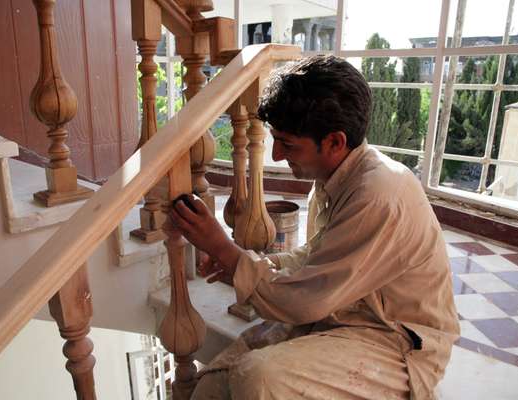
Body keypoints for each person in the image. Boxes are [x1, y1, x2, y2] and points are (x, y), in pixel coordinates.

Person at [169, 55, 459, 400]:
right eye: (275, 139)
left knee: (257, 377)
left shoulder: (378, 193)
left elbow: (305, 303)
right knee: (212, 385)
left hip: (397, 339)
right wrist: (246, 264)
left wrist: (225, 251)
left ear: (335, 142)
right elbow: (318, 256)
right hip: (346, 313)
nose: (276, 155)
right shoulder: (336, 176)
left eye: (288, 144)